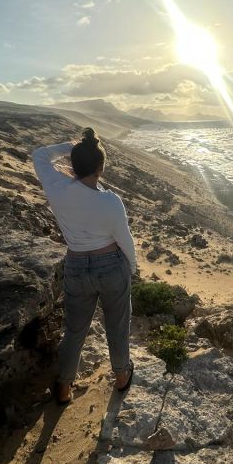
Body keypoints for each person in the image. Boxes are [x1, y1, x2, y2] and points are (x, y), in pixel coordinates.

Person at [32, 127, 137, 404]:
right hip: (111, 265)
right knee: (117, 325)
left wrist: (71, 148)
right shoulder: (110, 201)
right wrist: (132, 267)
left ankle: (64, 388)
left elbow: (40, 155)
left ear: (73, 164)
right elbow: (124, 239)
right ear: (101, 168)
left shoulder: (57, 187)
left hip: (76, 265)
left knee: (75, 330)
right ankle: (122, 376)